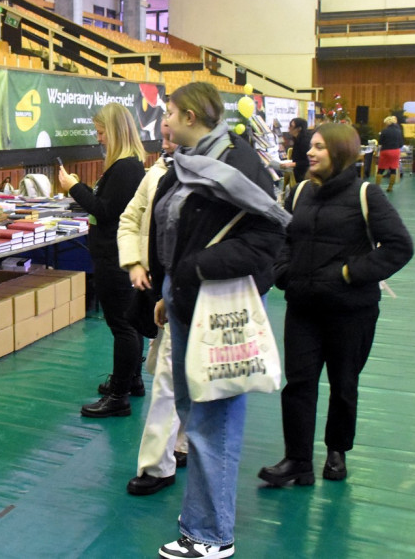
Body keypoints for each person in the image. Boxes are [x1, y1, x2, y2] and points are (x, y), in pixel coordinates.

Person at [149, 83, 289, 559]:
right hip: (189, 300)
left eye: (169, 113)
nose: (164, 121)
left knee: (215, 421)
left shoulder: (237, 164)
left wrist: (195, 269)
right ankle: (202, 525)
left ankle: (210, 536)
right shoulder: (188, 161)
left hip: (219, 304)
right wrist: (172, 290)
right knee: (196, 414)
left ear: (190, 116)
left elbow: (265, 239)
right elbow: (179, 230)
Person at [259, 123, 413, 489]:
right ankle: (297, 461)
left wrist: (348, 272)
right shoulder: (298, 194)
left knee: (344, 383)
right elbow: (284, 237)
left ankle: (336, 452)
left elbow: (399, 247)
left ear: (340, 154)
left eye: (320, 148)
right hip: (303, 308)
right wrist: (284, 270)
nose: (310, 153)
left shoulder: (366, 194)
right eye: (310, 146)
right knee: (298, 384)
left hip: (351, 311)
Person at [58, 102, 146, 418]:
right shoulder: (130, 165)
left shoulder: (124, 168)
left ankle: (119, 395)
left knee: (122, 326)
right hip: (117, 255)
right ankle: (130, 381)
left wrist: (74, 188)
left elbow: (105, 211)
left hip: (114, 257)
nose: (99, 139)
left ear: (115, 131)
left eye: (101, 132)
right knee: (129, 323)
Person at [117, 117, 187, 496]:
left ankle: (172, 452)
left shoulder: (212, 174)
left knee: (174, 375)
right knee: (164, 371)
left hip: (187, 288)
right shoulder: (154, 173)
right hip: (157, 287)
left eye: (172, 133)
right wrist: (135, 262)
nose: (168, 140)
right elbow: (130, 219)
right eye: (162, 135)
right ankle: (164, 457)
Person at [376, 115, 404, 192]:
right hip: (395, 151)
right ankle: (390, 187)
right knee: (393, 169)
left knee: (381, 169)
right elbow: (401, 143)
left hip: (385, 151)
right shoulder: (398, 131)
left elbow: (380, 142)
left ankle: (377, 187)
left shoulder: (384, 131)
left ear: (387, 123)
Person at [289, 117, 311, 182]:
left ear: (299, 128)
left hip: (304, 173)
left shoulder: (305, 141)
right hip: (298, 171)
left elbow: (308, 161)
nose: (289, 128)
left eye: (291, 126)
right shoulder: (296, 139)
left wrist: (294, 164)